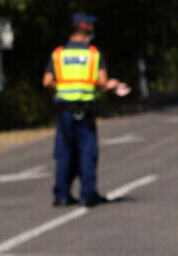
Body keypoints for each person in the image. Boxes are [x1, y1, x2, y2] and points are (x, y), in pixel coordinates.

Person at [42, 13, 130, 207]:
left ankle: (62, 195)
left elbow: (47, 81)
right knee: (87, 151)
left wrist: (64, 86)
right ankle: (88, 194)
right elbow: (102, 82)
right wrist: (113, 84)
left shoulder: (58, 54)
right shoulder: (93, 54)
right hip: (86, 110)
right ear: (87, 32)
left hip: (64, 110)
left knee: (64, 151)